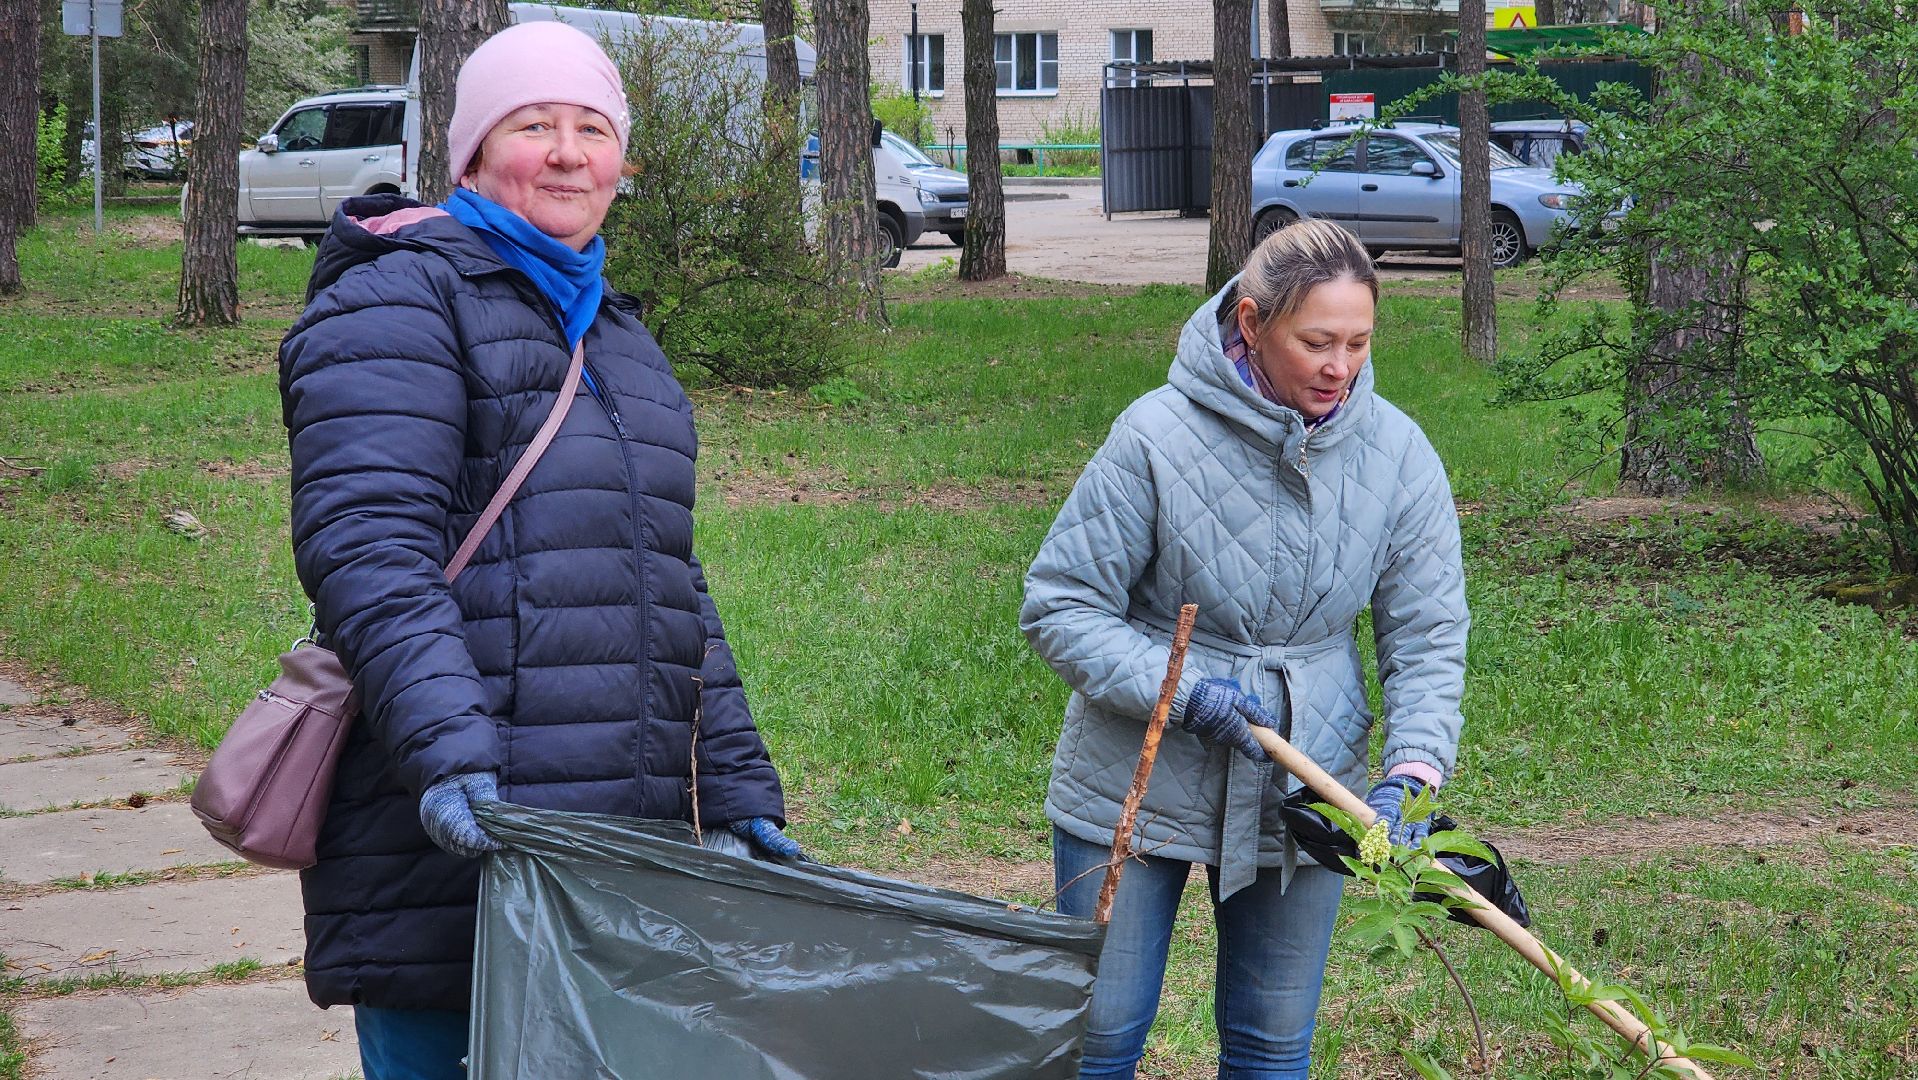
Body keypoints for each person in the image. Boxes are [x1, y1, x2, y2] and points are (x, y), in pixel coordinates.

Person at [279, 22, 796, 1080]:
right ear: (470, 156)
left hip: (614, 859)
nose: (568, 153)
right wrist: (446, 755)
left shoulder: (618, 339)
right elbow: (370, 549)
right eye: (532, 125)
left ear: (622, 161)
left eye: (592, 128)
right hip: (451, 839)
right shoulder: (397, 297)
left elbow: (670, 585)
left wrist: (734, 787)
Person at [1021, 219, 1469, 1079]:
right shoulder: (1154, 436)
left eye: (1359, 342)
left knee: (1272, 1048)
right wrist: (1178, 689)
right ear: (1253, 321)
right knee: (1098, 1038)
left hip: (1305, 776)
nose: (1341, 366)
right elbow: (1059, 605)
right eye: (1316, 342)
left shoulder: (1398, 454)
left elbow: (1428, 630)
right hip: (1135, 773)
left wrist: (1414, 766)